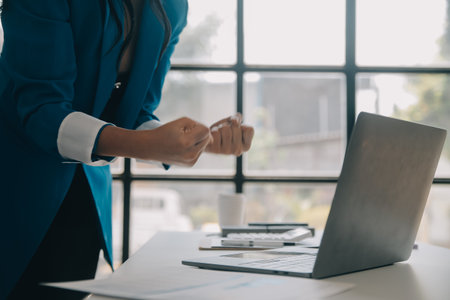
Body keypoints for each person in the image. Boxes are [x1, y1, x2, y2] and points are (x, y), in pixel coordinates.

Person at [0, 0, 254, 299]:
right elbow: (41, 110)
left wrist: (195, 141)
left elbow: (136, 113)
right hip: (14, 188)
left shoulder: (172, 7)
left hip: (86, 200)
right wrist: (149, 147)